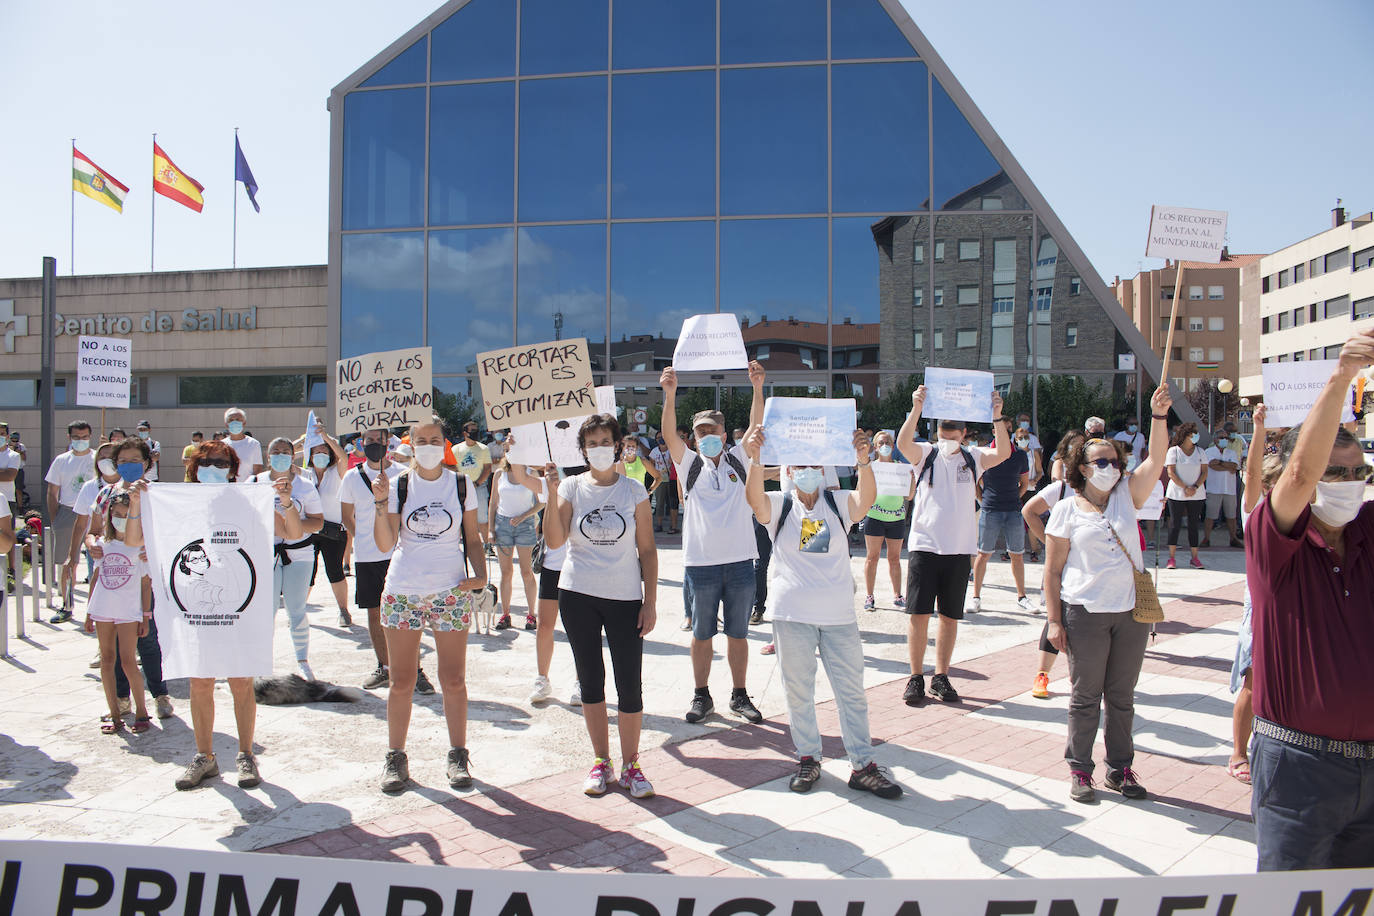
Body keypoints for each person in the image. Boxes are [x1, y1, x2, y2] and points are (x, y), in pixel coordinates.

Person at [1245, 328, 1374, 871]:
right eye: (1334, 472)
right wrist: (1342, 377)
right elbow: (1298, 473)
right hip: (1299, 765)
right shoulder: (1276, 545)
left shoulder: (1367, 532)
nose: (1348, 483)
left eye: (1359, 473)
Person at [744, 426, 901, 799]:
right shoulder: (779, 505)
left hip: (838, 617)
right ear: (787, 471)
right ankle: (808, 759)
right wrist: (753, 458)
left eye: (813, 464)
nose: (806, 470)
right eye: (798, 465)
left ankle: (862, 764)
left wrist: (864, 461)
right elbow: (754, 500)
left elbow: (866, 500)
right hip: (792, 615)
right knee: (798, 692)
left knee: (852, 693)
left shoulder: (837, 501)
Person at [1044, 385, 1171, 803]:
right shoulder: (1065, 509)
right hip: (1085, 615)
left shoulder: (1127, 497)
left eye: (1114, 461)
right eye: (1100, 461)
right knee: (1084, 698)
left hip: (1131, 615)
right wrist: (1054, 620)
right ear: (1081, 466)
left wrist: (1157, 417)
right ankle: (1081, 770)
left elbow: (1155, 460)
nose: (1110, 467)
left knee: (1122, 698)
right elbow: (1053, 571)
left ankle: (1121, 769)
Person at [542, 414, 658, 797]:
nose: (599, 449)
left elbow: (647, 549)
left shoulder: (634, 490)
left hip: (625, 598)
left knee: (630, 686)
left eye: (605, 440)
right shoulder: (571, 487)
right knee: (590, 681)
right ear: (583, 450)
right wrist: (550, 494)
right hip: (578, 595)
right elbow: (556, 542)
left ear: (619, 443)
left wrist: (650, 602)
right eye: (591, 443)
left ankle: (631, 766)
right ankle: (600, 761)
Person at [372, 416, 486, 793]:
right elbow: (386, 543)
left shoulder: (461, 483)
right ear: (411, 443)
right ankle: (395, 756)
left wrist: (482, 573)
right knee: (401, 681)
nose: (428, 445)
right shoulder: (400, 484)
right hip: (403, 590)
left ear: (445, 443)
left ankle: (457, 754)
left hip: (449, 590)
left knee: (453, 680)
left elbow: (471, 537)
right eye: (421, 440)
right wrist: (379, 502)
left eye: (434, 439)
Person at [659, 361, 765, 725]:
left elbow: (755, 427)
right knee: (702, 635)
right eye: (700, 430)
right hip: (701, 565)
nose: (706, 434)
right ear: (693, 435)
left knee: (738, 634)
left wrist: (757, 387)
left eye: (712, 429)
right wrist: (670, 394)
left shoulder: (738, 458)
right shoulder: (688, 462)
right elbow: (668, 433)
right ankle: (701, 695)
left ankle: (739, 695)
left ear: (723, 433)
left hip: (739, 563)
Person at [895, 386, 1011, 704]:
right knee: (919, 615)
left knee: (949, 617)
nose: (947, 437)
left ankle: (941, 676)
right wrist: (916, 407)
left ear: (963, 433)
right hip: (925, 546)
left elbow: (1003, 453)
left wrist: (997, 416)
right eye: (942, 431)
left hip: (959, 549)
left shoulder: (973, 458)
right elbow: (902, 443)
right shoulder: (927, 454)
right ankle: (915, 677)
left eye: (952, 432)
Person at [177, 440, 263, 790]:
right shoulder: (178, 502)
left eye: (221, 461)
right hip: (197, 605)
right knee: (200, 682)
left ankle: (245, 755)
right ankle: (205, 757)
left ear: (232, 468)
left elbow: (266, 537)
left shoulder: (244, 501)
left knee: (241, 681)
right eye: (206, 461)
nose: (213, 466)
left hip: (236, 601)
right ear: (195, 467)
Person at [339, 428, 433, 694]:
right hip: (368, 555)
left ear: (388, 443)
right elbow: (346, 515)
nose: (375, 445)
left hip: (401, 554)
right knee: (374, 611)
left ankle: (415, 669)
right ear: (361, 444)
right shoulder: (351, 477)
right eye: (369, 441)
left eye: (380, 440)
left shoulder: (403, 475)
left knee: (410, 612)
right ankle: (385, 666)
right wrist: (363, 539)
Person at [1228, 404, 1275, 786]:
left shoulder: (1310, 513)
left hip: (1295, 610)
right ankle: (1239, 752)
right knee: (1252, 681)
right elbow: (1254, 473)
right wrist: (1258, 429)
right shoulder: (1256, 512)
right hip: (1260, 609)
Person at [252, 437, 324, 681]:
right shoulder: (254, 483)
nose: (280, 455)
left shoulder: (305, 485)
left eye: (285, 451)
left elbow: (317, 522)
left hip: (300, 554)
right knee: (266, 611)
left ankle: (303, 660)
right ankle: (262, 662)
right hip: (265, 556)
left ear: (293, 456)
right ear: (267, 455)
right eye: (275, 451)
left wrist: (291, 527)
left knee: (296, 609)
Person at [83, 487, 153, 734]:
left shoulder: (141, 547)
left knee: (128, 661)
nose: (120, 518)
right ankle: (114, 714)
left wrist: (146, 615)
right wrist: (89, 612)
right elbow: (97, 576)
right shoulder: (104, 544)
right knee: (107, 660)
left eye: (126, 514)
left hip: (128, 612)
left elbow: (146, 583)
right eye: (117, 513)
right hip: (103, 609)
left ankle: (142, 711)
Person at [970, 417, 1034, 614]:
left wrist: (1014, 497)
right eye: (1000, 430)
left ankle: (1022, 597)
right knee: (984, 553)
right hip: (990, 509)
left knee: (1017, 555)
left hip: (1013, 509)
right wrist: (983, 500)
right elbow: (975, 482)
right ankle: (976, 597)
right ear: (994, 431)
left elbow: (1024, 484)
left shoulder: (1020, 456)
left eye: (1007, 430)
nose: (1004, 433)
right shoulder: (984, 453)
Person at [45, 420, 96, 622]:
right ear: (69, 437)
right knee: (68, 562)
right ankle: (67, 605)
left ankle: (97, 608)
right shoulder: (61, 460)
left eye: (84, 437)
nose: (80, 440)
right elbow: (52, 491)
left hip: (94, 514)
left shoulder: (97, 459)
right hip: (67, 512)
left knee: (97, 561)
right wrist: (55, 518)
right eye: (76, 437)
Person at [488, 455, 542, 631]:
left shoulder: (530, 472)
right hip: (503, 524)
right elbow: (493, 502)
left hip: (524, 524)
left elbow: (542, 502)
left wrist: (524, 516)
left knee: (526, 572)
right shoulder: (499, 474)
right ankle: (505, 614)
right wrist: (490, 529)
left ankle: (531, 614)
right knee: (506, 572)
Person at [304, 424, 352, 627]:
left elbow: (344, 458)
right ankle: (298, 609)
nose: (321, 454)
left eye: (324, 451)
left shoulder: (336, 472)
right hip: (309, 530)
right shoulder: (305, 474)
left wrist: (326, 437)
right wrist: (304, 441)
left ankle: (343, 610)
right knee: (307, 571)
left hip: (333, 530)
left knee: (335, 571)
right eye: (316, 451)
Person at [862, 431, 914, 611]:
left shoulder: (901, 467)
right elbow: (861, 491)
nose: (884, 445)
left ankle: (897, 595)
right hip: (875, 517)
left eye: (887, 442)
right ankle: (869, 596)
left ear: (892, 446)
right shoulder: (870, 467)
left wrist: (912, 480)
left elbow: (909, 495)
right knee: (872, 557)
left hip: (896, 518)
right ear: (875, 447)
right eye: (880, 443)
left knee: (895, 558)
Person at [1164, 422, 1208, 569]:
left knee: (1193, 525)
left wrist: (1194, 487)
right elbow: (1171, 472)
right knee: (1175, 524)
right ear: (1186, 435)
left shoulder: (1201, 451)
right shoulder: (1173, 451)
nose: (1196, 436)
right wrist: (1185, 487)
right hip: (1177, 493)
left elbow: (1204, 472)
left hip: (1197, 493)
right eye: (1193, 433)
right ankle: (1171, 558)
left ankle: (1194, 558)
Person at [454, 421, 493, 556]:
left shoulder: (483, 448)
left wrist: (476, 483)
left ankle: (488, 545)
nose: (475, 433)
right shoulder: (456, 449)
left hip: (479, 487)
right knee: (459, 517)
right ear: (465, 433)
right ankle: (455, 545)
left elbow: (487, 468)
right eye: (472, 430)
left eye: (477, 430)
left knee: (482, 518)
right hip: (460, 487)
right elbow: (453, 467)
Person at [1203, 428, 1243, 548]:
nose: (1224, 440)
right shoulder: (1209, 451)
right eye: (1221, 437)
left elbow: (1234, 467)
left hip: (1229, 489)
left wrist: (1220, 463)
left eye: (1226, 438)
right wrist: (1226, 465)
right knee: (1210, 516)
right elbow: (1212, 465)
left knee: (1231, 516)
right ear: (1215, 439)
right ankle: (1206, 538)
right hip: (1214, 488)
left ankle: (1233, 538)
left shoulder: (1232, 453)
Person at [648, 434, 679, 535]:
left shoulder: (672, 449)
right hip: (660, 480)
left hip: (671, 479)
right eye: (658, 438)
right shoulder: (654, 451)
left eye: (663, 437)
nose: (661, 440)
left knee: (671, 503)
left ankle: (672, 524)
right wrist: (655, 476)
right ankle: (659, 524)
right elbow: (651, 463)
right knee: (659, 503)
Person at [223, 408, 265, 481]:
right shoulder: (221, 445)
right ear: (226, 424)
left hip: (247, 489)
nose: (235, 422)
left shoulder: (254, 444)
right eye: (231, 420)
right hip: (226, 489)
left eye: (238, 419)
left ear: (244, 423)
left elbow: (257, 470)